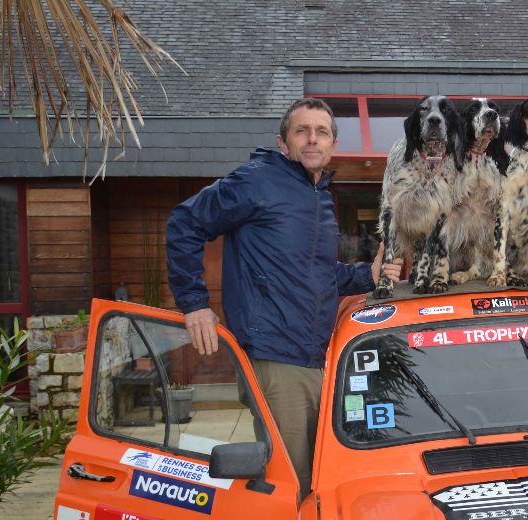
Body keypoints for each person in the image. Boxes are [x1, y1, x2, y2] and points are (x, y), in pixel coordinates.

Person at [166, 97, 402, 497]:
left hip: (318, 358)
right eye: (302, 131)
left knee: (324, 476)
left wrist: (368, 274)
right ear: (283, 141)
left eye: (322, 132)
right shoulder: (258, 180)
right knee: (294, 485)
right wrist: (195, 304)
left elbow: (319, 276)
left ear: (332, 144)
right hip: (278, 359)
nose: (312, 139)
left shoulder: (317, 196)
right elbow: (185, 222)